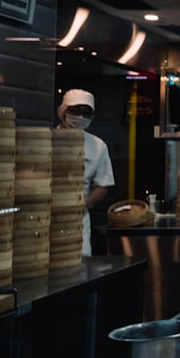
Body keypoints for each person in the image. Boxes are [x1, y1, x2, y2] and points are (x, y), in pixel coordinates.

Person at [56, 89, 115, 257]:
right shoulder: (47, 140)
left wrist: (84, 202)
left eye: (86, 113)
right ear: (63, 111)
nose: (80, 117)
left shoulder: (97, 145)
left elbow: (103, 185)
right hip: (47, 217)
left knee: (79, 266)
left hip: (78, 219)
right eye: (75, 111)